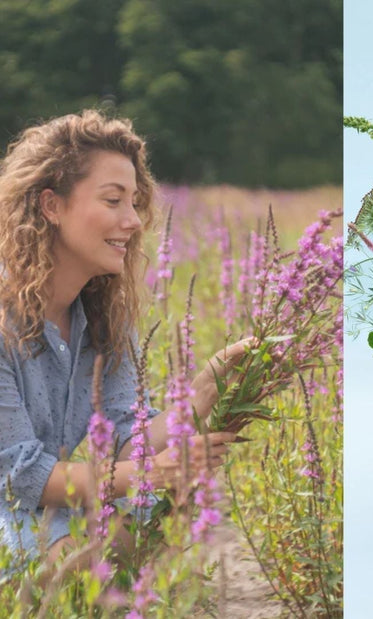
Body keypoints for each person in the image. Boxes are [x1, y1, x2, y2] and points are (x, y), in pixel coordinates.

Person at [0, 110, 245, 572]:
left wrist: (200, 395)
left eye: (135, 202)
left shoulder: (101, 315)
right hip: (9, 503)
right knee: (74, 561)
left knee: (165, 514)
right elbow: (18, 476)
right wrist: (147, 474)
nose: (133, 221)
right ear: (51, 206)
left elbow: (121, 433)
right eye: (113, 200)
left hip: (40, 503)